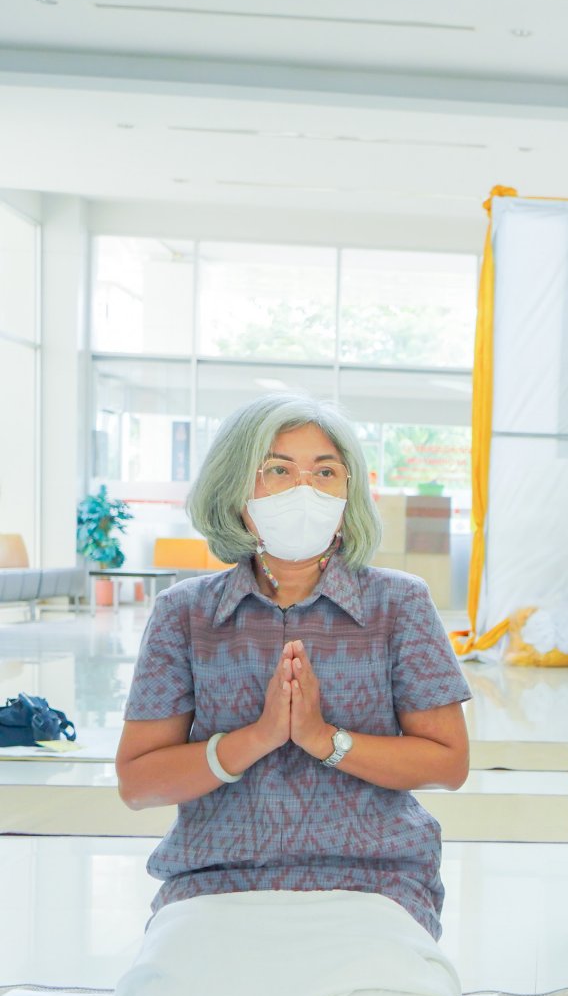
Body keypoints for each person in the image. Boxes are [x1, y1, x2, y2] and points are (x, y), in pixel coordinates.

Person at [115, 393, 472, 939]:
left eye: (325, 472)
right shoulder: (185, 613)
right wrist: (256, 738)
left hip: (374, 882)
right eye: (279, 470)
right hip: (215, 881)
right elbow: (138, 783)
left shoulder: (399, 604)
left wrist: (324, 739)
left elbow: (449, 763)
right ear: (235, 487)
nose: (305, 490)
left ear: (349, 491)